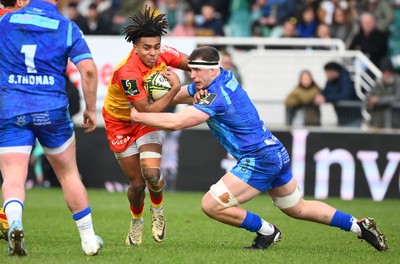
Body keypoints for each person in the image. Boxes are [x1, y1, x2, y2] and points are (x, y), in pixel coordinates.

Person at [131, 46, 388, 252]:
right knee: (298, 208)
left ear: (212, 70)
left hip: (259, 157)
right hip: (274, 151)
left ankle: (267, 231)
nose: (193, 75)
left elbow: (178, 122)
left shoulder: (217, 95)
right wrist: (160, 93)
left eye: (197, 70)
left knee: (211, 205)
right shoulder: (220, 80)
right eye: (191, 70)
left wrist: (140, 116)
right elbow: (179, 96)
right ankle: (358, 226)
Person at [0, 0, 102, 256]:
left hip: (13, 108)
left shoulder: (6, 22)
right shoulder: (67, 27)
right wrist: (90, 109)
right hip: (51, 110)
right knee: (68, 174)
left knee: (13, 176)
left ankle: (15, 223)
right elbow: (88, 70)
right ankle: (89, 240)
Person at [102, 6, 190, 246]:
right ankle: (137, 219)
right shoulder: (128, 73)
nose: (153, 53)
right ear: (135, 47)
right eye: (146, 48)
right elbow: (146, 111)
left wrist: (212, 76)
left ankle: (158, 211)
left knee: (151, 175)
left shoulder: (162, 54)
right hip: (120, 122)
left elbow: (192, 63)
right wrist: (174, 88)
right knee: (138, 184)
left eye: (156, 47)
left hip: (144, 123)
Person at [314, 61, 363, 126]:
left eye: (327, 73)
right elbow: (326, 91)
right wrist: (321, 96)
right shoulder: (330, 81)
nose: (326, 75)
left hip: (353, 117)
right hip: (342, 118)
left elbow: (345, 96)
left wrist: (326, 98)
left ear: (333, 71)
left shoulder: (346, 81)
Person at [366, 57, 400, 128]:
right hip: (378, 121)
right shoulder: (379, 81)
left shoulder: (397, 81)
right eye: (384, 72)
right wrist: (370, 99)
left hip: (394, 122)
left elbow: (397, 97)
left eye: (388, 72)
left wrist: (378, 100)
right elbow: (370, 94)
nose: (386, 74)